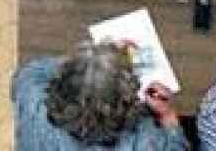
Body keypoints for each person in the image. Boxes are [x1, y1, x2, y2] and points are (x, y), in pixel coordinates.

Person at [12, 42, 187, 150]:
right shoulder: (145, 141)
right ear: (126, 103)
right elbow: (176, 147)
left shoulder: (31, 96)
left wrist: (92, 64)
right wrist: (168, 116)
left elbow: (30, 71)